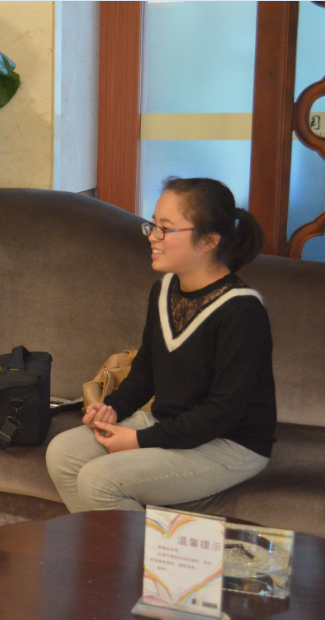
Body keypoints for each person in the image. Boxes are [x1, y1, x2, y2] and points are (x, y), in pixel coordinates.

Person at [46, 176, 276, 513]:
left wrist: (139, 440)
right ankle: (102, 546)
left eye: (165, 229)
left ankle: (132, 549)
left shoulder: (242, 310)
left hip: (230, 443)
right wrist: (114, 408)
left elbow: (223, 412)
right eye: (153, 225)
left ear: (209, 240)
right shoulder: (164, 289)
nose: (153, 236)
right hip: (167, 424)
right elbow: (147, 368)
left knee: (99, 480)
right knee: (62, 453)